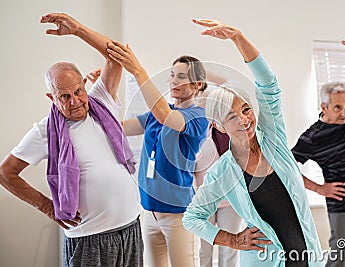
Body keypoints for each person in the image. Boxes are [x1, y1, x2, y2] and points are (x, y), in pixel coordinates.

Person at [0, 13, 143, 267]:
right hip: (89, 240)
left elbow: (115, 55)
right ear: (51, 97)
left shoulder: (102, 102)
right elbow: (6, 173)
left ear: (84, 87)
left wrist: (78, 30)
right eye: (64, 96)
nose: (75, 101)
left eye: (78, 91)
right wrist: (47, 207)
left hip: (130, 230)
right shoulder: (45, 130)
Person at [182, 19, 323, 267]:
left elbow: (269, 85)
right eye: (231, 116)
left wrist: (238, 38)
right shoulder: (222, 172)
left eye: (246, 109)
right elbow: (192, 218)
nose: (244, 119)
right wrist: (232, 240)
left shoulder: (273, 139)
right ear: (218, 125)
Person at [106, 36, 209, 266]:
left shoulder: (199, 117)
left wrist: (138, 71)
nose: (174, 81)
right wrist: (103, 98)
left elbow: (167, 116)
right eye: (172, 75)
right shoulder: (157, 112)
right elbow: (119, 129)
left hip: (178, 215)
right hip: (149, 211)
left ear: (198, 85)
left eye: (182, 77)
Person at [291, 40, 345, 267]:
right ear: (324, 106)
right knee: (340, 258)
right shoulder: (312, 137)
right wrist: (320, 188)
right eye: (338, 107)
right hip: (343, 205)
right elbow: (287, 168)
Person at [194, 89, 243, 267]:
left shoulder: (233, 132)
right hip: (204, 201)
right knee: (203, 250)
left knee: (230, 250)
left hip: (231, 201)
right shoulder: (197, 136)